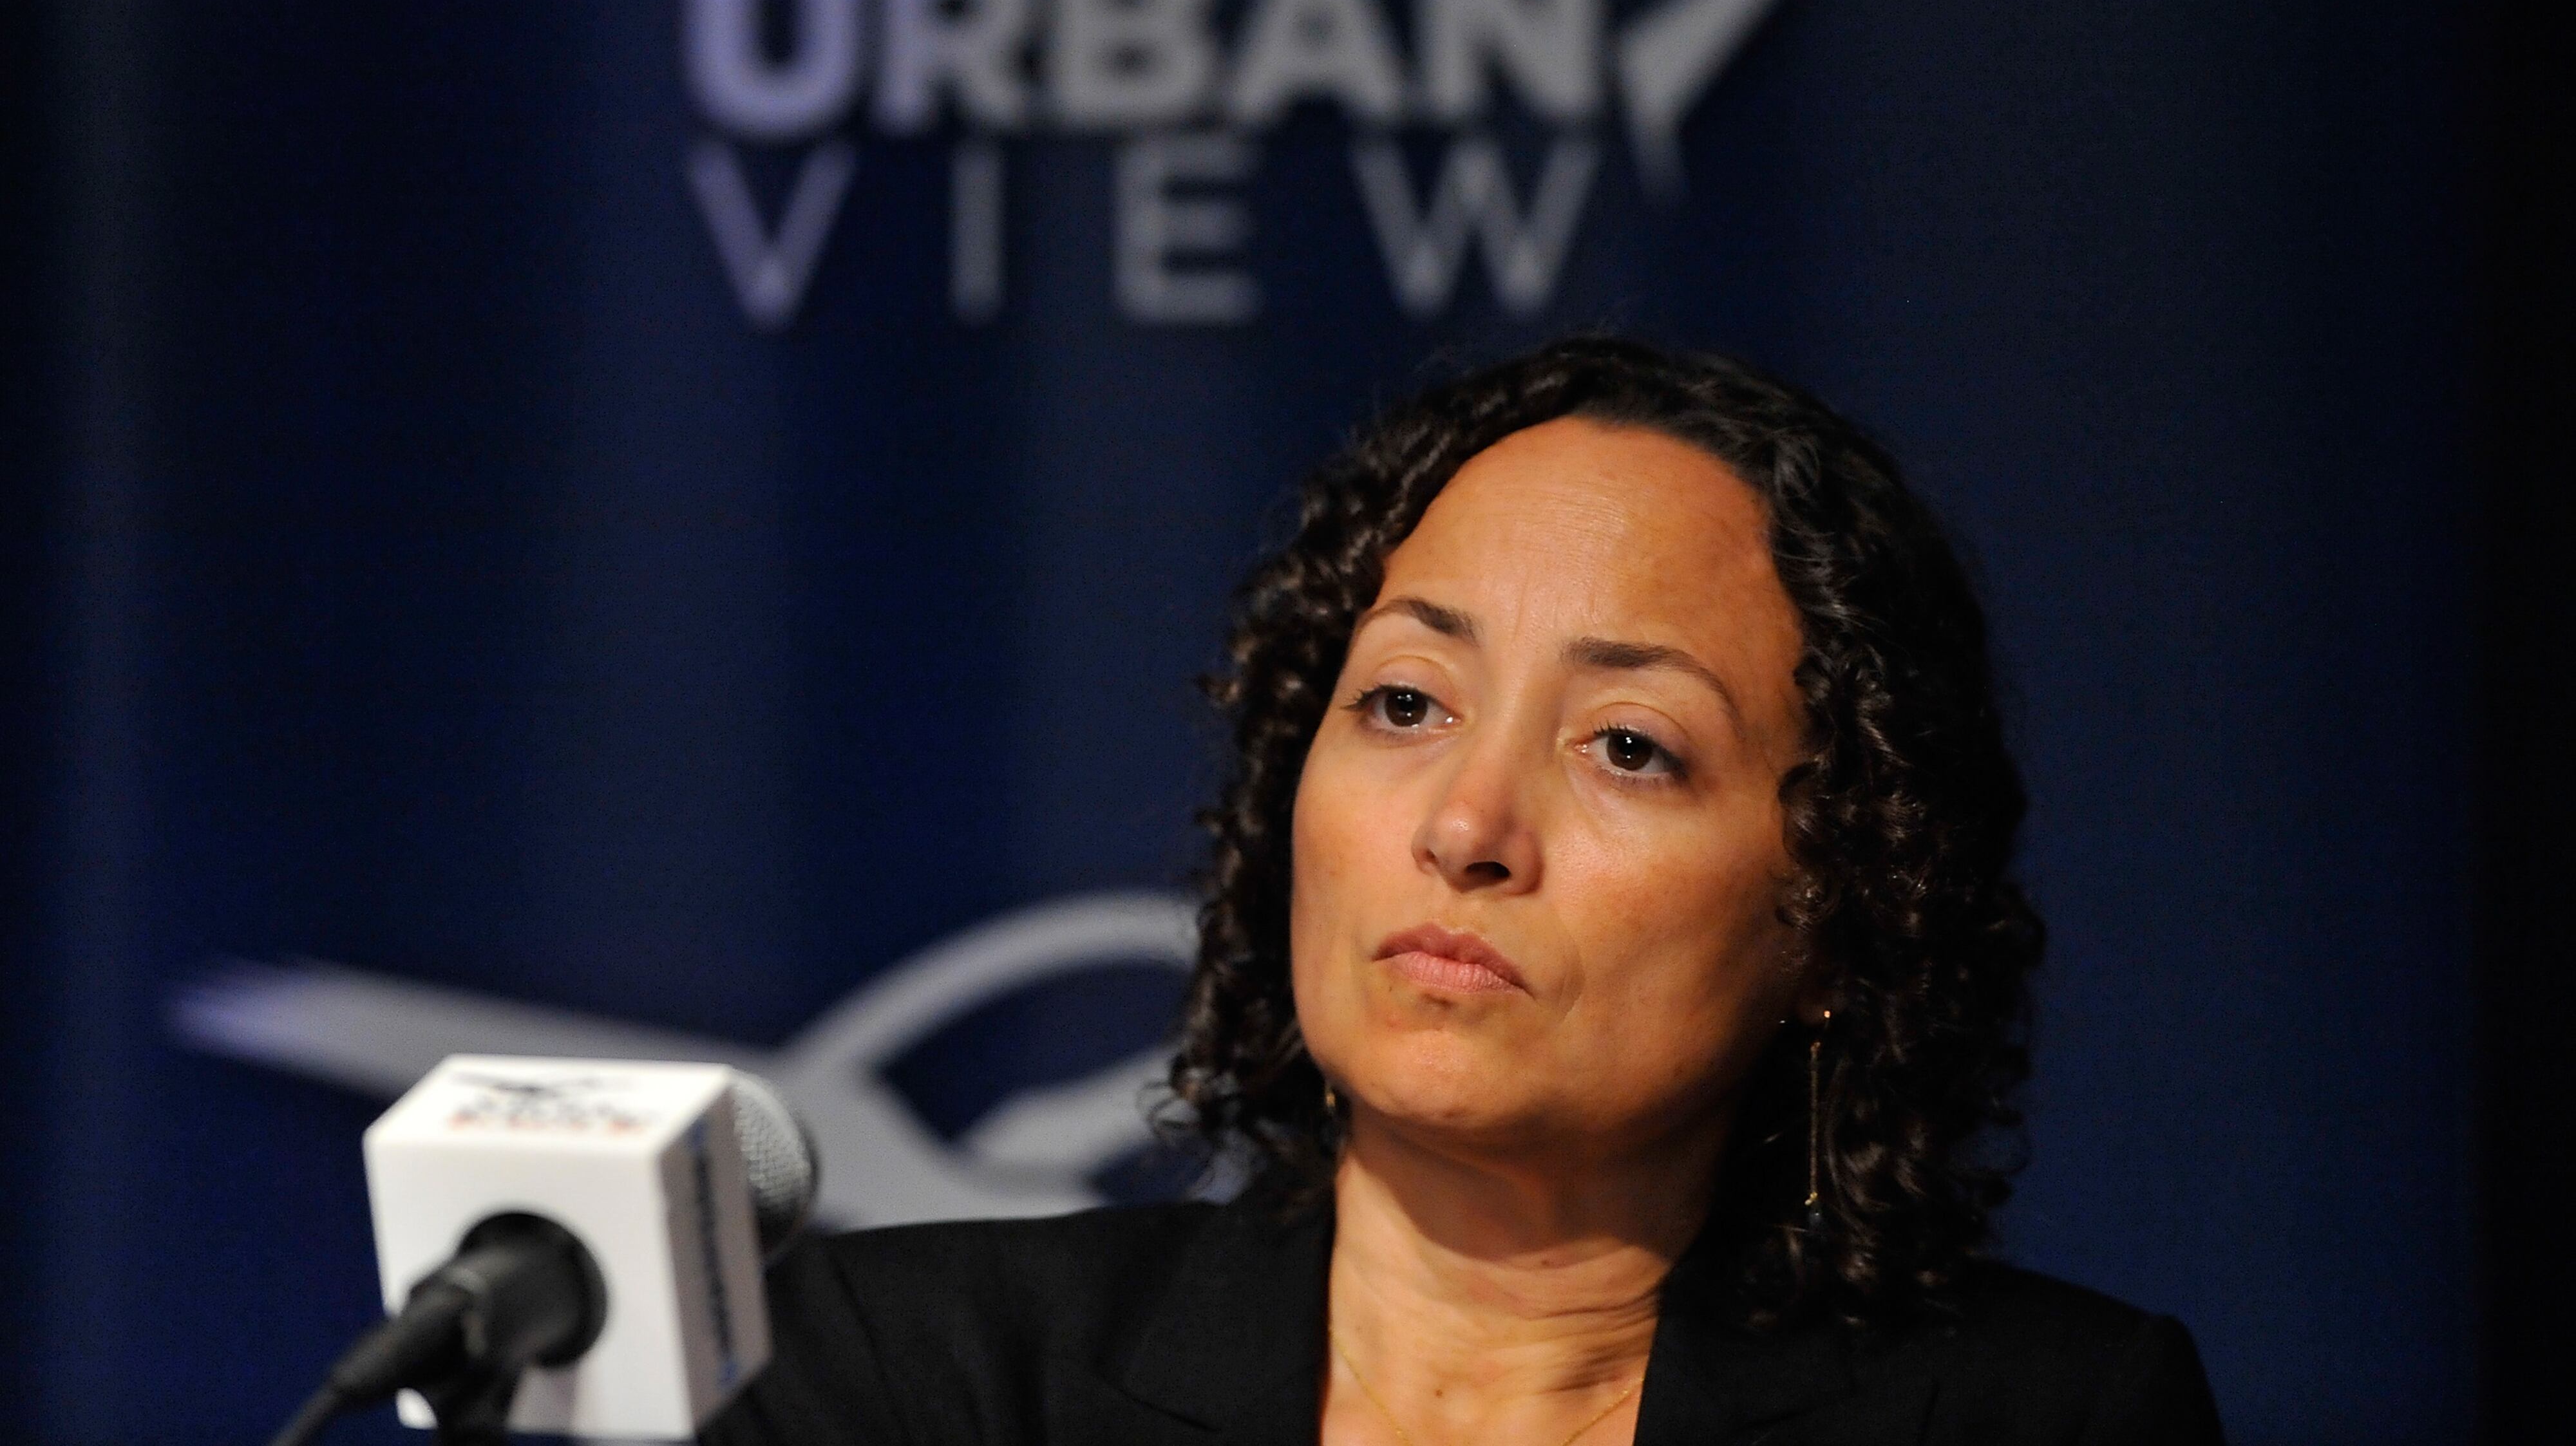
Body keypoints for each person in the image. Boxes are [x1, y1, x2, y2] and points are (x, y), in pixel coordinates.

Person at [705, 337, 2225, 1445]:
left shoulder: (2044, 1415)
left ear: (1839, 911)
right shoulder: (910, 1376)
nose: (1466, 824)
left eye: (1627, 746)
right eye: (1405, 702)